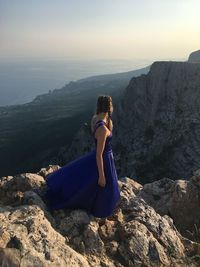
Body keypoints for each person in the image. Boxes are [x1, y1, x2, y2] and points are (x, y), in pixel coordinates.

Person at [45, 95, 121, 223]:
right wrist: (101, 175)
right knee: (104, 187)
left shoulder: (95, 119)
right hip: (103, 159)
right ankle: (100, 209)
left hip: (103, 157)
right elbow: (99, 154)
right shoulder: (103, 129)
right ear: (110, 107)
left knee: (85, 182)